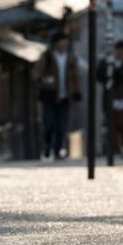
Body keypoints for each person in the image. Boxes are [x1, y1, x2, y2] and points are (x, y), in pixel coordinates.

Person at [33, 32, 81, 160]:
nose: (64, 44)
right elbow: (37, 73)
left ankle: (58, 150)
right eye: (62, 41)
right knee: (48, 123)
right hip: (49, 94)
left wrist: (77, 91)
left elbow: (76, 76)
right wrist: (43, 80)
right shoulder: (47, 57)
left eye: (65, 41)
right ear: (55, 43)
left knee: (61, 125)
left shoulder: (71, 58)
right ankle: (47, 147)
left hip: (65, 96)